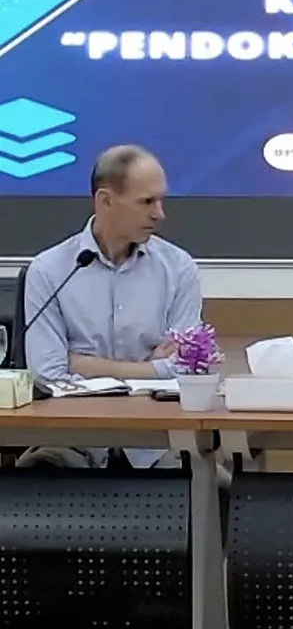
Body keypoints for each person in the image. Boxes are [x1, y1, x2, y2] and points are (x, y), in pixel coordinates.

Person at [19, 145, 202, 469]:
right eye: (146, 202)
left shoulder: (178, 267)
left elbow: (186, 369)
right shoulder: (49, 270)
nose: (159, 214)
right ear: (105, 201)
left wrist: (86, 365)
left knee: (210, 483)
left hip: (157, 441)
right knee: (34, 473)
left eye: (161, 201)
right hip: (74, 438)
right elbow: (48, 375)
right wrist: (148, 369)